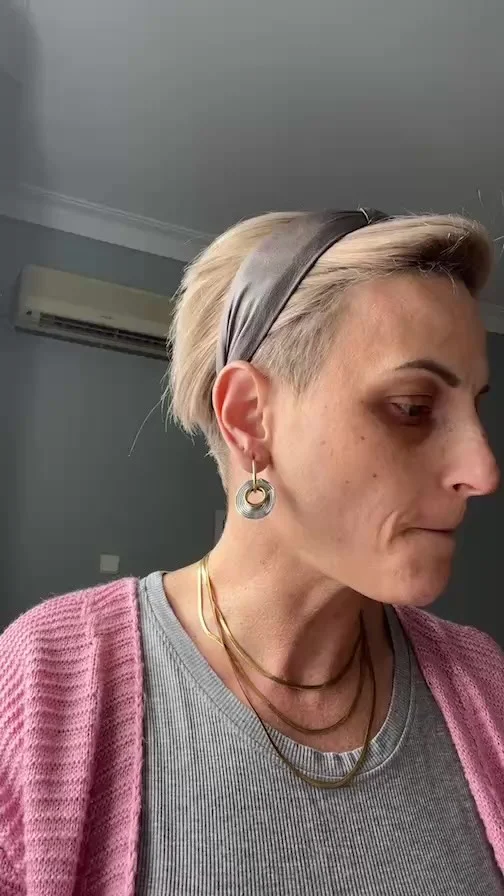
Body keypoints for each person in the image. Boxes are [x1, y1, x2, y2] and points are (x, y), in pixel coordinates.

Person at [1, 208, 504, 896]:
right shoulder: (46, 679)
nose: (482, 470)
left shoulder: (485, 685)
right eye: (414, 407)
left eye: (476, 407)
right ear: (250, 419)